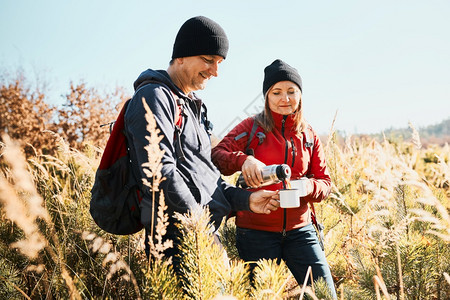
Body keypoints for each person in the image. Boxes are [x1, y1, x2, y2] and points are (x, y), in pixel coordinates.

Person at [123, 16, 279, 268]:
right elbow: (160, 172)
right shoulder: (154, 97)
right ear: (181, 56)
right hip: (176, 243)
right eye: (208, 60)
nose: (215, 71)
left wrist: (246, 200)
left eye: (219, 63)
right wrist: (200, 230)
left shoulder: (193, 105)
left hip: (201, 235)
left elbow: (208, 180)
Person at [211, 59, 337, 298]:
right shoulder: (250, 128)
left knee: (325, 295)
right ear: (267, 96)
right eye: (276, 92)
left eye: (291, 91)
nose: (285, 98)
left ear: (300, 95)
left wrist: (308, 186)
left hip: (302, 232)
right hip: (255, 233)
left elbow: (325, 183)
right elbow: (217, 156)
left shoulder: (309, 134)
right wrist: (243, 160)